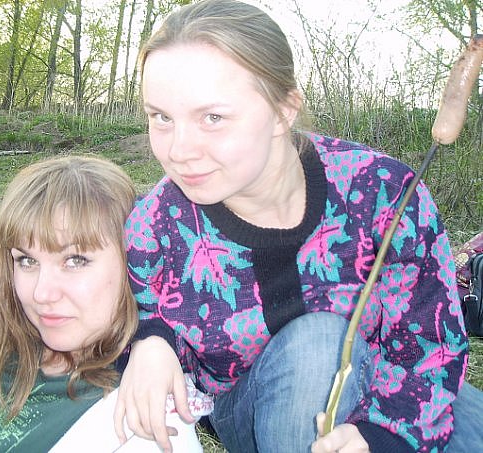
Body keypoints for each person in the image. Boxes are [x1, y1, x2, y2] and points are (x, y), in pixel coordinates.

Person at [114, 1, 483, 452]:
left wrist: (382, 435)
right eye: (161, 118)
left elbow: (431, 337)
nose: (179, 150)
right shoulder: (156, 227)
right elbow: (125, 315)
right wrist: (150, 342)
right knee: (318, 343)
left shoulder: (384, 193)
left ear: (284, 109)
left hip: (390, 384)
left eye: (213, 118)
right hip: (250, 408)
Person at [0, 155, 194, 452]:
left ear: (135, 264)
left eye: (75, 260)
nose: (42, 293)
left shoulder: (139, 415)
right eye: (27, 261)